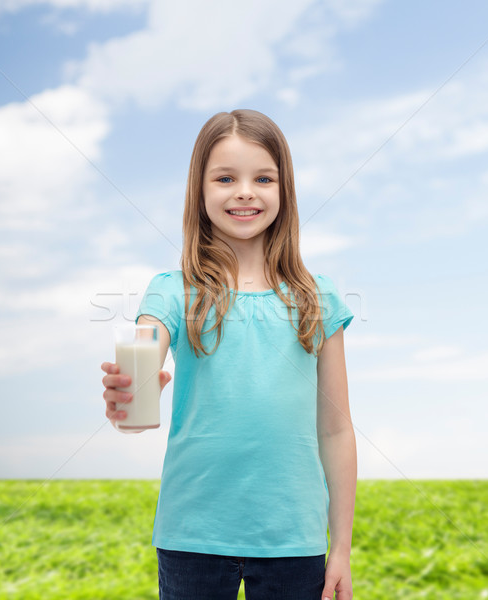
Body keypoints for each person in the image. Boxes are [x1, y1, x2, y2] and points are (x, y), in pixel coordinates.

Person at [101, 109, 356, 600]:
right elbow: (144, 356)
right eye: (225, 178)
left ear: (285, 191)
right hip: (191, 537)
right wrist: (131, 396)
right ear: (200, 191)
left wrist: (340, 548)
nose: (244, 191)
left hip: (293, 541)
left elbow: (337, 428)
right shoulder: (171, 292)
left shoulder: (318, 298)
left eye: (263, 177)